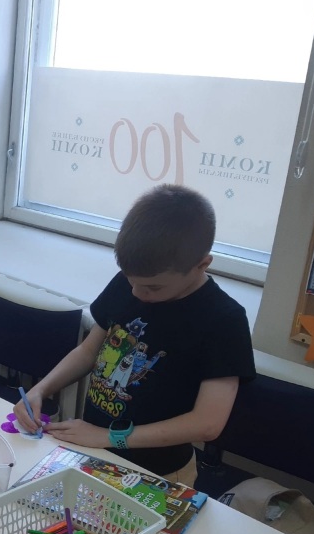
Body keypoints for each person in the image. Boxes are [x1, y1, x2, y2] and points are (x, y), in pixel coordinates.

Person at [13, 184, 255, 485]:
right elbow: (88, 352)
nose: (138, 293)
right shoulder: (131, 283)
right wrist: (40, 389)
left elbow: (207, 424)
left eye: (153, 287)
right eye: (131, 281)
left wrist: (108, 436)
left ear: (201, 264)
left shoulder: (224, 319)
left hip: (158, 472)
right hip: (94, 452)